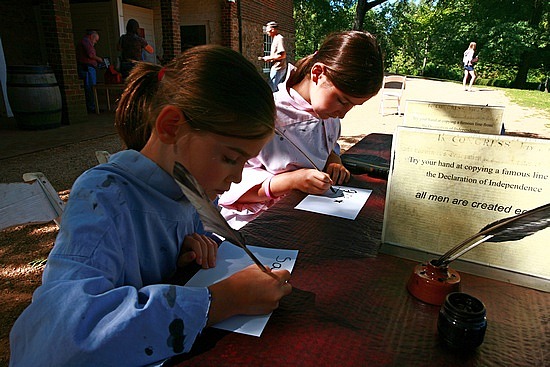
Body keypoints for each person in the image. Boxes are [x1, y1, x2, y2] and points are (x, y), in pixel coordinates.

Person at [9, 45, 292, 366]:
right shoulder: (103, 198)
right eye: (230, 158)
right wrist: (223, 300)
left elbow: (192, 241)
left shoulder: (191, 187)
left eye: (244, 162)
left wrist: (197, 249)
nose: (238, 177)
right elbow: (65, 337)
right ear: (172, 126)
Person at [220, 30, 384, 229]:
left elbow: (327, 147)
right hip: (258, 225)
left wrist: (333, 160)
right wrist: (292, 181)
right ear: (317, 74)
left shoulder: (327, 114)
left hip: (306, 218)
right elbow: (228, 185)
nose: (342, 114)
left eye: (352, 106)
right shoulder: (265, 116)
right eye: (342, 100)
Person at [76, 30, 103, 113]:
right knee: (90, 88)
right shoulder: (86, 42)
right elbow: (90, 55)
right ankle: (92, 107)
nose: (96, 42)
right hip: (87, 68)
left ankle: (92, 106)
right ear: (92, 36)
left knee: (90, 88)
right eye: (96, 40)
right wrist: (99, 59)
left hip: (88, 67)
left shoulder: (84, 42)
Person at [260, 21, 287, 92]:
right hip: (276, 67)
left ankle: (272, 103)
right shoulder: (275, 39)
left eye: (268, 30)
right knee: (275, 88)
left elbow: (283, 55)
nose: (267, 32)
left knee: (272, 89)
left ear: (273, 29)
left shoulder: (279, 38)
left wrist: (269, 58)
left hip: (278, 68)